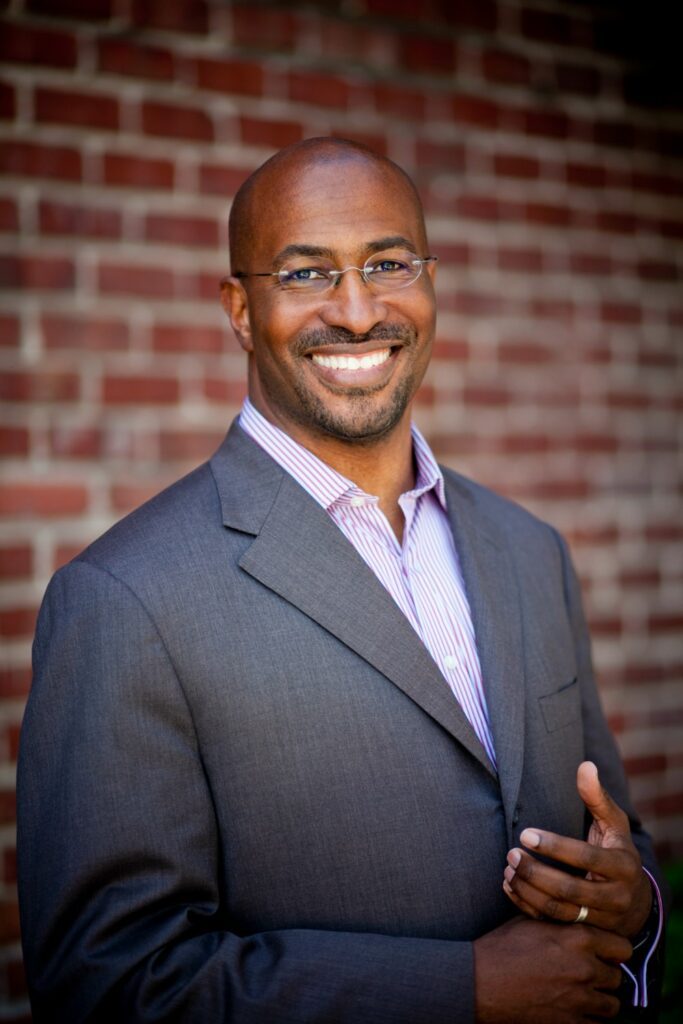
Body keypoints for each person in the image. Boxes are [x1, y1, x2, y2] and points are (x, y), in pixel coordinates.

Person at [18, 137, 664, 1023]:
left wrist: (637, 903)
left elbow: (623, 838)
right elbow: (109, 982)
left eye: (388, 264)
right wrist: (463, 992)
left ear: (430, 280)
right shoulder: (123, 599)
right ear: (240, 310)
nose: (359, 313)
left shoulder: (529, 550)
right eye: (307, 275)